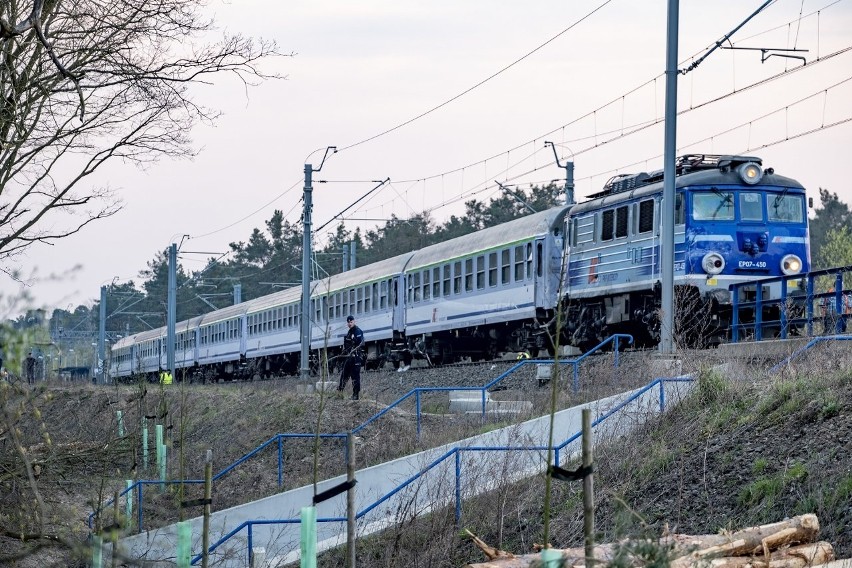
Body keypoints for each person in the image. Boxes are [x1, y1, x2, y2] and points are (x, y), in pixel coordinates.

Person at [338, 315, 364, 400]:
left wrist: (353, 341)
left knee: (355, 376)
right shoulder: (349, 332)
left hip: (356, 357)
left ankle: (356, 394)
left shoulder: (358, 331)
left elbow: (360, 344)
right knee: (344, 374)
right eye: (348, 322)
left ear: (354, 321)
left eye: (351, 322)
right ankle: (339, 391)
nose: (349, 324)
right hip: (349, 357)